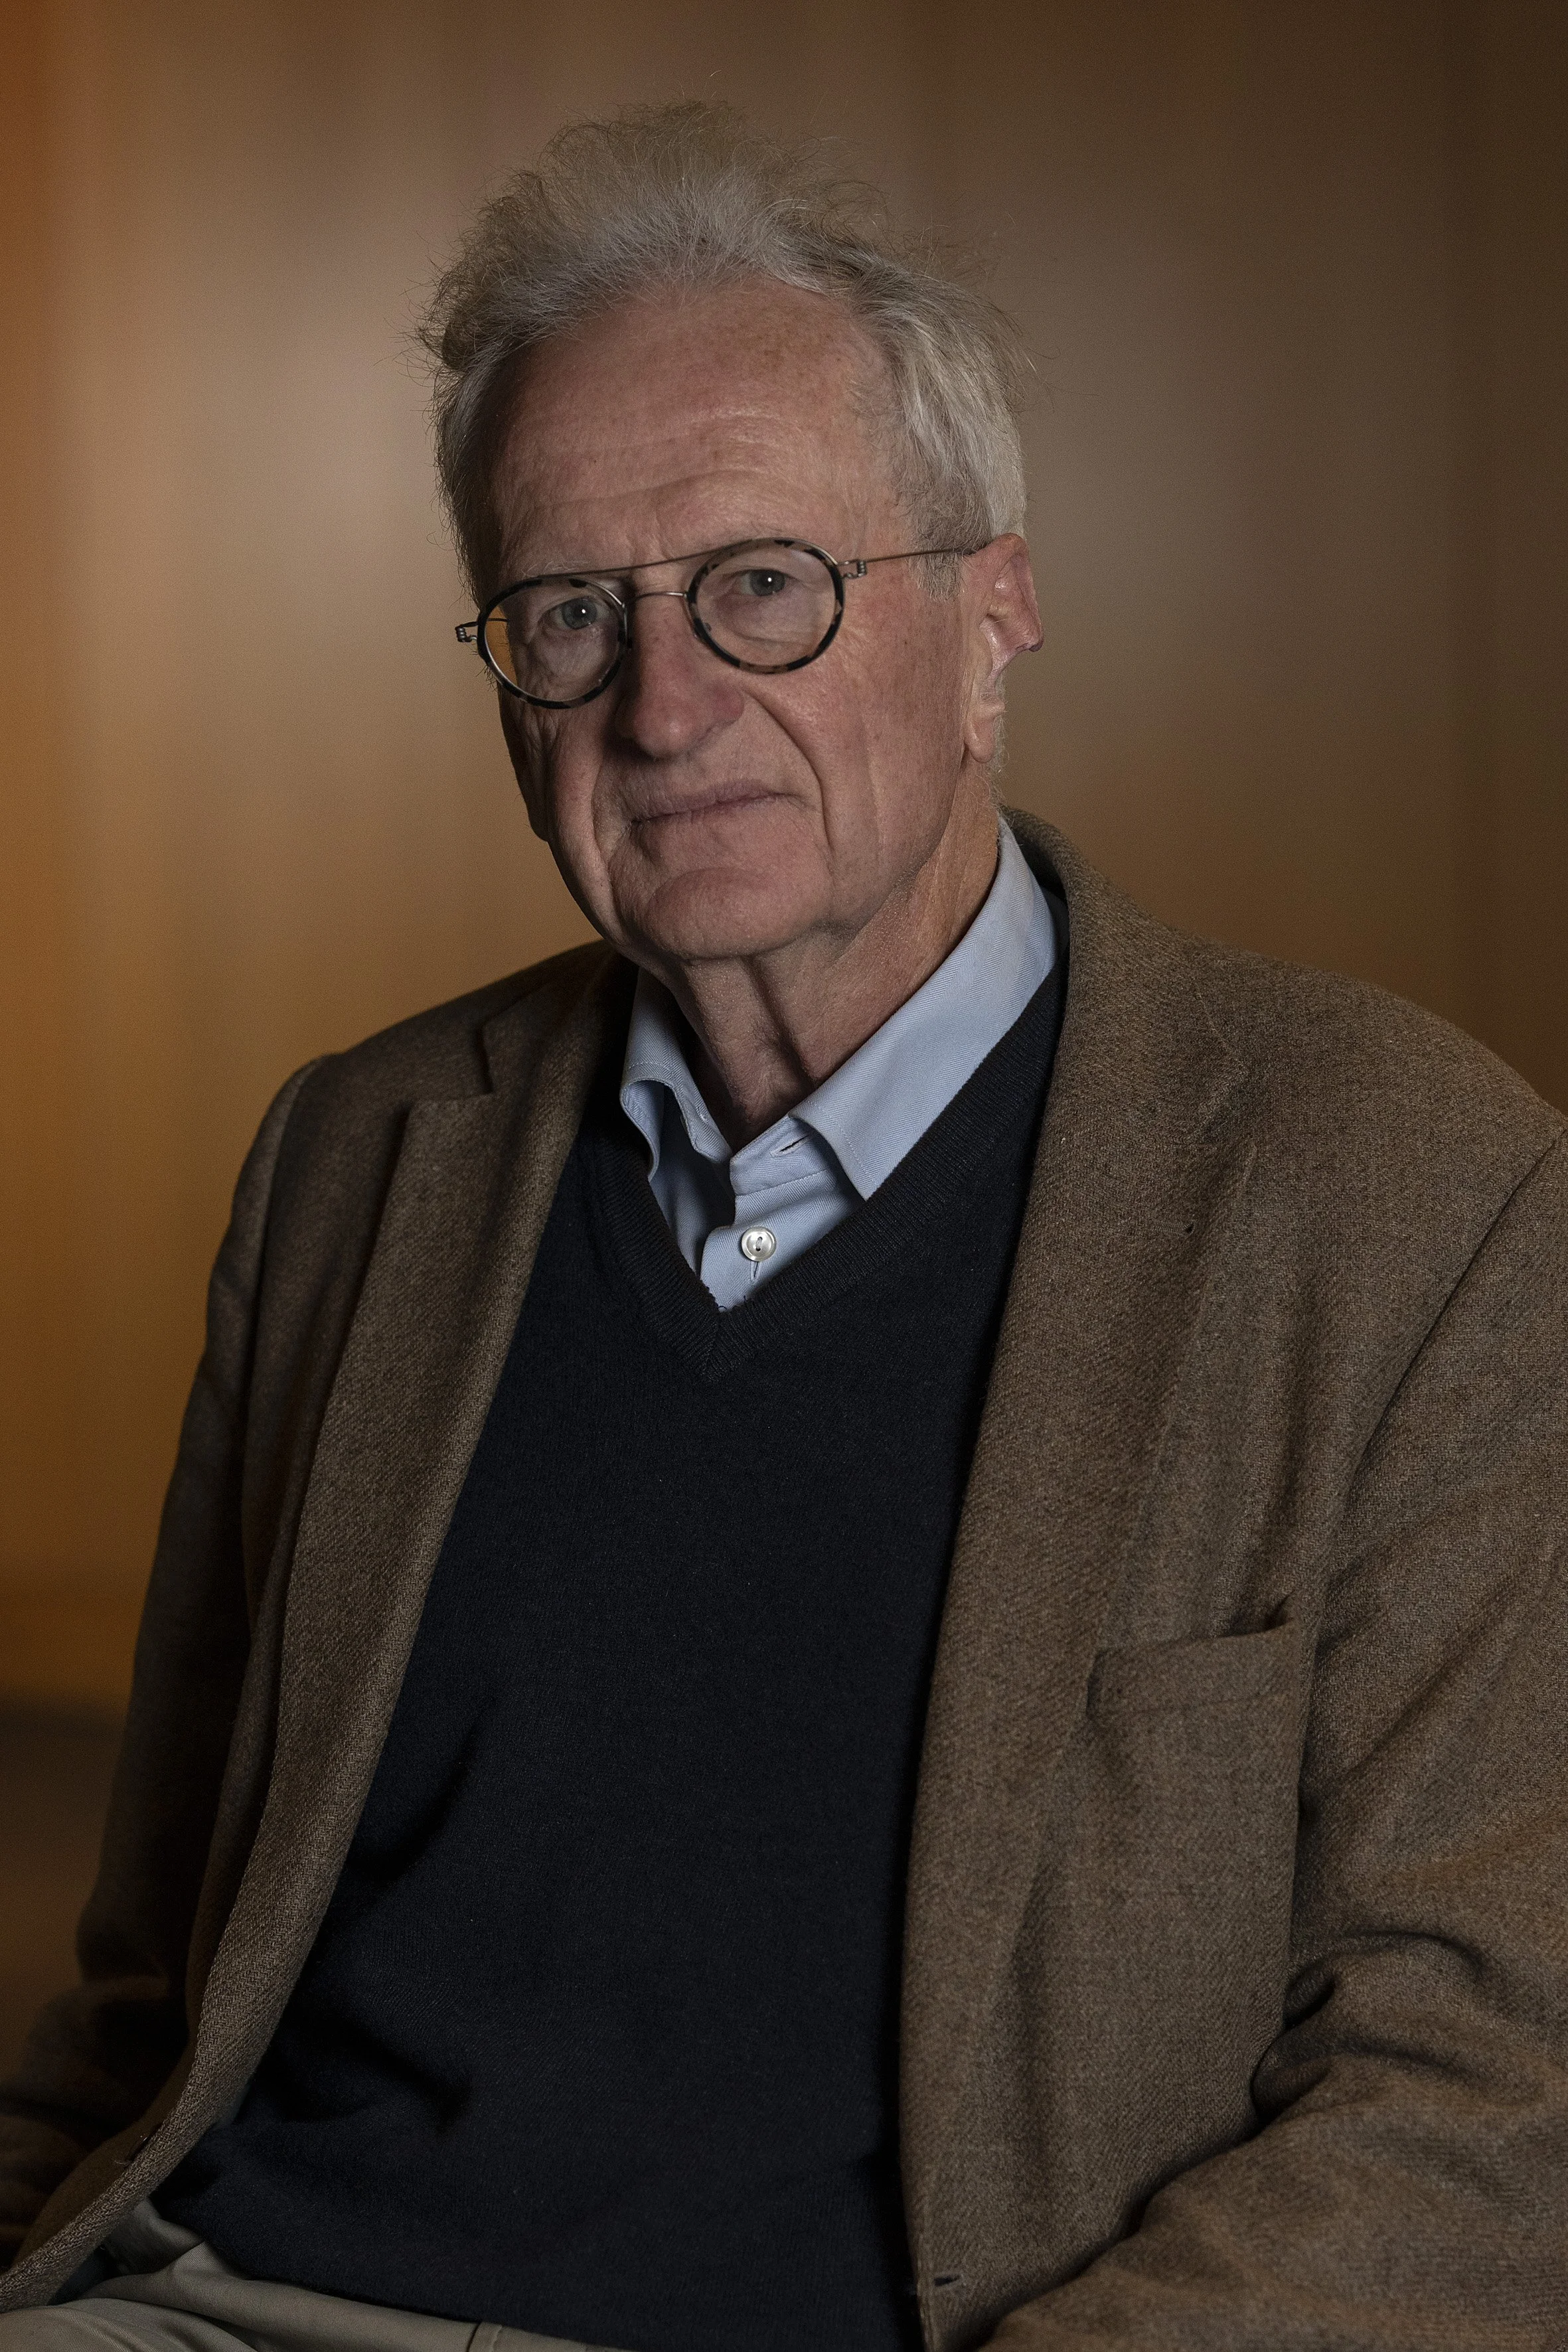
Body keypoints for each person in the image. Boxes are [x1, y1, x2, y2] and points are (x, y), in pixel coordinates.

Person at [2, 100, 1565, 2352]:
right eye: (571, 615)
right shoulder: (355, 1159)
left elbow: (1489, 2098)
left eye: (763, 585)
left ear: (994, 612)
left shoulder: (1408, 1199)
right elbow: (144, 1995)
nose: (662, 703)